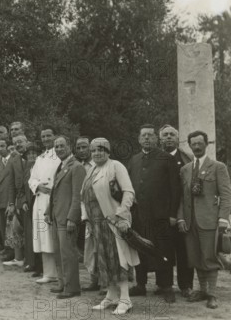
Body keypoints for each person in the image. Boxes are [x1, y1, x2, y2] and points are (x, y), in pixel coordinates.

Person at [82, 138, 139, 315]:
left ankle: (125, 299)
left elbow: (129, 191)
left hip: (113, 221)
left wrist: (121, 215)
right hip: (96, 224)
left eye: (101, 149)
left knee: (118, 259)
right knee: (104, 260)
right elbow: (83, 196)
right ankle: (111, 296)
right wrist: (86, 219)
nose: (97, 153)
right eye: (94, 150)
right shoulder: (91, 170)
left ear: (108, 151)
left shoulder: (116, 166)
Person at [178, 131, 231, 309]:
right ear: (190, 145)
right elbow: (181, 197)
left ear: (206, 144)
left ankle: (212, 294)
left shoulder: (218, 166)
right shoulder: (185, 170)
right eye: (194, 144)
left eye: (200, 143)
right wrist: (180, 218)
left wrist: (224, 219)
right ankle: (201, 290)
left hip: (209, 220)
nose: (197, 147)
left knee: (209, 257)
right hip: (189, 221)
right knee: (195, 256)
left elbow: (226, 195)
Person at [127, 124, 179, 303]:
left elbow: (175, 189)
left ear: (156, 139)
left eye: (150, 135)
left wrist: (173, 214)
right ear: (139, 139)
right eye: (144, 136)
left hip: (161, 216)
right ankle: (140, 285)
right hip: (139, 215)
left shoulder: (166, 159)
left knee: (163, 251)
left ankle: (165, 287)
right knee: (140, 249)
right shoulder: (134, 160)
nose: (147, 138)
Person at [44, 136, 85, 299]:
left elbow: (78, 196)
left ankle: (72, 287)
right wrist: (48, 211)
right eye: (56, 146)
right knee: (59, 253)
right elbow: (55, 192)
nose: (59, 149)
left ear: (69, 146)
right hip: (56, 216)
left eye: (62, 145)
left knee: (68, 253)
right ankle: (62, 283)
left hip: (67, 218)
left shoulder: (77, 167)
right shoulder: (61, 166)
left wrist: (72, 218)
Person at [159, 124, 195, 298]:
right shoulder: (155, 158)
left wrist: (180, 215)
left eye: (171, 134)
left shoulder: (187, 158)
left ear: (177, 138)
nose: (168, 137)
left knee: (184, 251)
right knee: (163, 251)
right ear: (160, 139)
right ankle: (165, 285)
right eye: (165, 135)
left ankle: (186, 285)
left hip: (182, 214)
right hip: (161, 214)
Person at [28, 126, 60, 284]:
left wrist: (51, 189)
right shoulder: (40, 158)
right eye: (43, 136)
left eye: (49, 135)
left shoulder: (60, 155)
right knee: (42, 237)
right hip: (39, 199)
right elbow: (31, 178)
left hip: (52, 200)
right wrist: (37, 186)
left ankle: (59, 273)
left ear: (54, 136)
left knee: (53, 237)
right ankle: (48, 273)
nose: (46, 139)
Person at [75, 136, 100, 292]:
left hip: (99, 210)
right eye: (78, 148)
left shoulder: (99, 164)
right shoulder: (77, 166)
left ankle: (105, 280)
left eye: (84, 147)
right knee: (88, 246)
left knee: (100, 246)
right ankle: (94, 278)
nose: (82, 150)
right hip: (82, 210)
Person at [2, 135, 30, 267]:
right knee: (16, 228)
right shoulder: (14, 160)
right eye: (15, 143)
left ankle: (32, 261)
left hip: (32, 198)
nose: (18, 145)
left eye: (20, 142)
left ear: (27, 142)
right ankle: (19, 259)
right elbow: (11, 184)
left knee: (31, 232)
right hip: (19, 200)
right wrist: (11, 203)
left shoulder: (34, 157)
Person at [22, 143, 43, 275]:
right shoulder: (27, 168)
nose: (31, 156)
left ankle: (42, 267)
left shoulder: (42, 167)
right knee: (31, 236)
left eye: (34, 153)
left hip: (39, 202)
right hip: (29, 204)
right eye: (29, 154)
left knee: (41, 234)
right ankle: (33, 263)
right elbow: (23, 187)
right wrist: (23, 200)